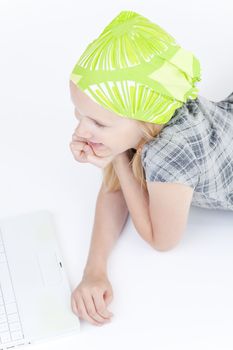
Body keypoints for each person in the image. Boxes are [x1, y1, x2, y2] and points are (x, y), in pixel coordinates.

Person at [68, 10, 233, 327]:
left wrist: (116, 157)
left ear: (145, 119)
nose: (81, 132)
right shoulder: (160, 104)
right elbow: (116, 188)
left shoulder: (167, 155)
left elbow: (162, 240)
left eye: (98, 123)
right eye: (79, 114)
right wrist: (94, 270)